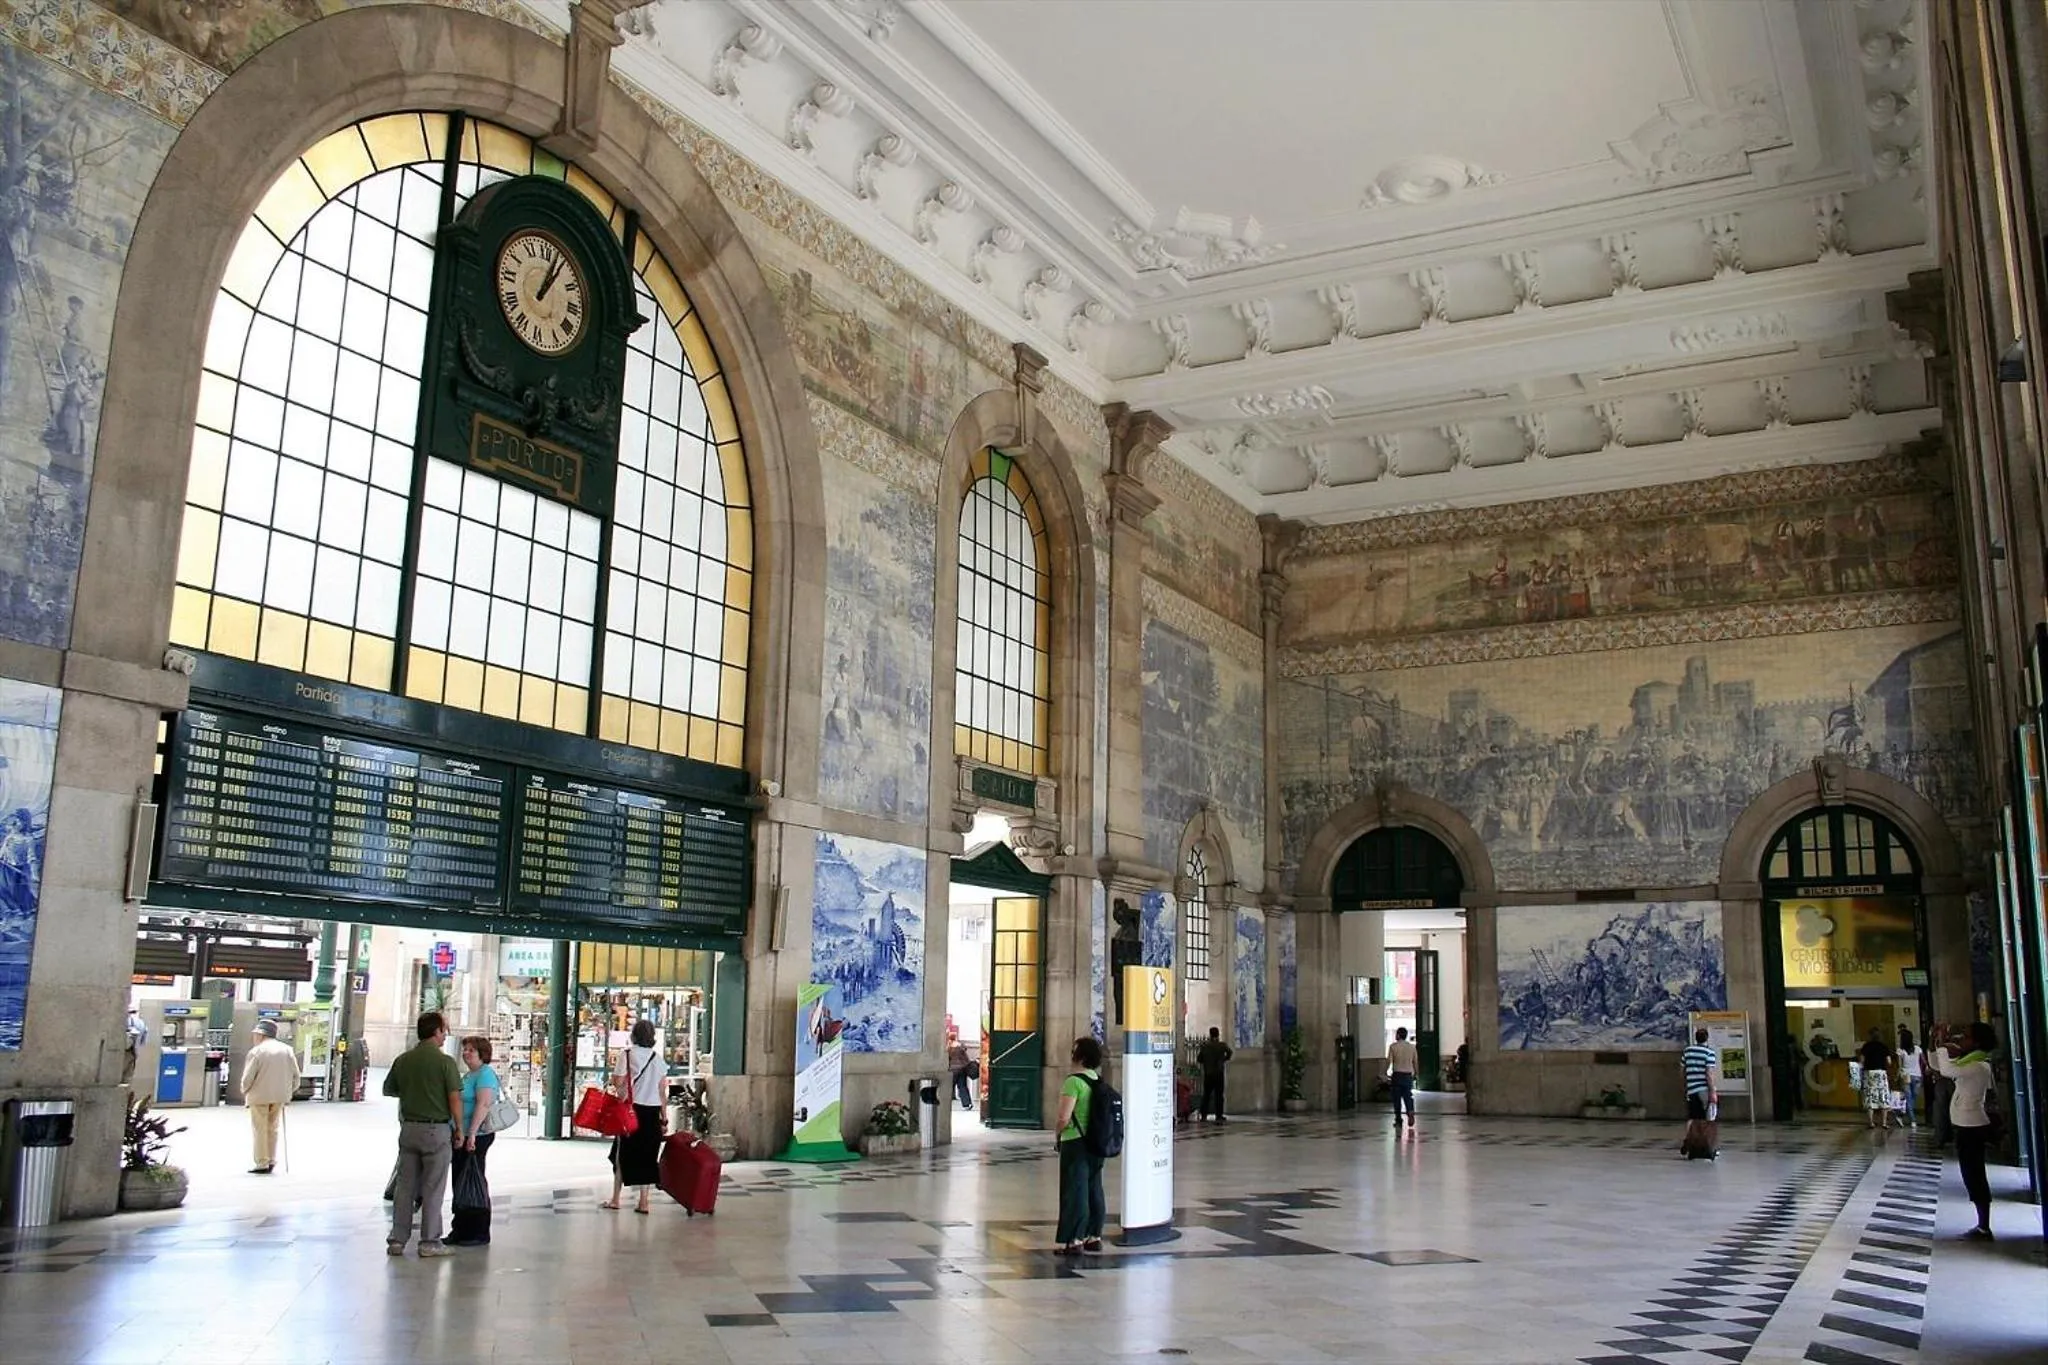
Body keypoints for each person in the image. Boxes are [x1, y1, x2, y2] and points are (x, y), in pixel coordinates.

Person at [382, 1011, 463, 1258]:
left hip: (409, 1129)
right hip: (436, 1130)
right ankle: (429, 1241)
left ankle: (397, 1240)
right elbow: (454, 1098)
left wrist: (414, 1092)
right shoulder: (445, 1062)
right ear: (436, 1031)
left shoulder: (403, 1060)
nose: (445, 1035)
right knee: (433, 1188)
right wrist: (459, 1128)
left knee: (405, 1187)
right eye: (444, 1030)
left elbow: (390, 1089)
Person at [1932, 1022, 1999, 1240]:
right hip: (1965, 1125)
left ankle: (1984, 1227)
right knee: (1971, 1175)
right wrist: (1937, 1042)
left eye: (1966, 1037)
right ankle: (1982, 1225)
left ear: (1977, 1042)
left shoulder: (1979, 1065)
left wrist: (1943, 1044)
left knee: (1975, 1175)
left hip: (1972, 1126)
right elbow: (1937, 1064)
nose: (1962, 1040)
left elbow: (1947, 1070)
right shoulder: (1969, 1061)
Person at [603, 1019, 665, 1215]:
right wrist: (664, 1118)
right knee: (648, 1156)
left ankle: (615, 1198)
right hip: (652, 1112)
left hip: (632, 1110)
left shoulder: (627, 1054)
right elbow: (662, 1091)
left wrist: (618, 1082)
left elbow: (618, 1081)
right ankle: (644, 1201)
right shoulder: (657, 1059)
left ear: (634, 1035)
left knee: (622, 1153)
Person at [1053, 1035, 1108, 1257]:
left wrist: (1057, 1132)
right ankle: (1094, 1236)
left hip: (1075, 1142)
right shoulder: (1097, 1080)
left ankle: (1073, 1239)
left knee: (1074, 1190)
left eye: (1074, 1051)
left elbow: (1063, 1117)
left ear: (1081, 1057)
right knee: (1094, 1187)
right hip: (1096, 1141)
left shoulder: (1073, 1082)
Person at [446, 1036, 500, 1247]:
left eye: (471, 1050)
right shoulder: (469, 1075)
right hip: (463, 1134)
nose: (466, 1053)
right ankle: (460, 1229)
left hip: (476, 1135)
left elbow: (483, 1104)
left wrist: (472, 1134)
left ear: (482, 1054)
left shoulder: (485, 1074)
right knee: (460, 1180)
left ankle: (477, 1231)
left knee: (473, 1180)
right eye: (465, 1049)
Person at [240, 1019, 300, 1174]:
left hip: (258, 1096)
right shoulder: (287, 1050)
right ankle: (272, 1159)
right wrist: (288, 1092)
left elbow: (248, 1078)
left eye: (255, 1034)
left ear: (261, 1035)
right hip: (279, 1096)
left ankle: (262, 1162)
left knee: (259, 1129)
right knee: (273, 1128)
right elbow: (296, 1075)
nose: (254, 1037)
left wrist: (245, 1090)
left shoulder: (257, 1051)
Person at [1680, 1027, 1718, 1159]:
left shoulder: (1687, 1051)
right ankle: (1707, 1146)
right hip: (1704, 1090)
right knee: (1708, 1118)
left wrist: (1685, 1086)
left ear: (1696, 1038)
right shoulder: (1709, 1052)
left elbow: (1682, 1071)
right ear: (1707, 1038)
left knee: (1692, 1117)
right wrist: (1712, 1091)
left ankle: (1689, 1141)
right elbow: (1709, 1073)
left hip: (1691, 1089)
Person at [1857, 1028, 1893, 1131]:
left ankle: (1871, 1122)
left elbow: (1861, 1060)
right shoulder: (1883, 1046)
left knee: (1870, 1096)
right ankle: (1884, 1123)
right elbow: (1889, 1061)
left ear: (1870, 1036)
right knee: (1883, 1096)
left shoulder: (1866, 1046)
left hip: (1869, 1073)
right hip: (1881, 1073)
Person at [1195, 1027, 1233, 1122]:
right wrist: (1224, 1059)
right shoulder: (1222, 1045)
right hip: (1219, 1073)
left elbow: (1199, 1059)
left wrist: (1206, 1062)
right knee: (1219, 1095)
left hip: (1208, 1073)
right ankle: (1219, 1115)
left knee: (1206, 1095)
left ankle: (1204, 1115)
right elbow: (1230, 1052)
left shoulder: (1205, 1046)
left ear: (1210, 1034)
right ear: (1218, 1034)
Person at [1386, 1026, 1419, 1130]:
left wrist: (1384, 1072)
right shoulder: (1412, 1047)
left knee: (1396, 1099)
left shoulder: (1393, 1047)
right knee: (1408, 1095)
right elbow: (1415, 1062)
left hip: (1397, 1075)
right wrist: (1416, 1073)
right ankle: (1410, 1111)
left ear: (1398, 1035)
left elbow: (1389, 1061)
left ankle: (1398, 1119)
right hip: (1408, 1075)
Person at [1894, 1027, 1922, 1130]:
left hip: (1906, 1075)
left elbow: (1900, 1065)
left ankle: (1900, 1115)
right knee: (1912, 1097)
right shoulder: (1917, 1049)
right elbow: (1921, 1061)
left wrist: (1897, 1076)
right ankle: (1913, 1120)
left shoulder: (1901, 1051)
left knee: (1910, 1098)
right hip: (1916, 1075)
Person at [948, 1033, 974, 1110]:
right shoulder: (960, 1046)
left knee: (949, 1086)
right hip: (962, 1069)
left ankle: (945, 1103)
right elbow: (966, 1058)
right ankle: (967, 1104)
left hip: (952, 1069)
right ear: (956, 1037)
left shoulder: (948, 1047)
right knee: (962, 1086)